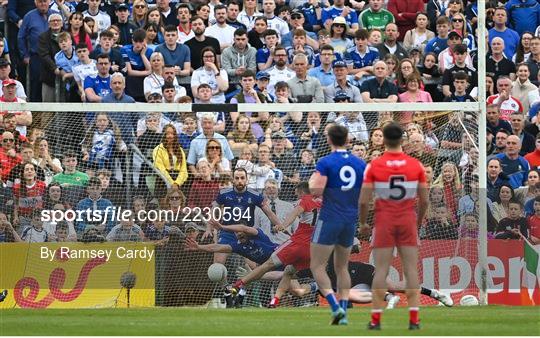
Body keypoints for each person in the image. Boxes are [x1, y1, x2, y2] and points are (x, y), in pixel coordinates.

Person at [359, 122, 429, 330]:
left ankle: (376, 319)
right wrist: (417, 222)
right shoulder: (415, 165)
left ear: (385, 140)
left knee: (380, 270)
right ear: (403, 140)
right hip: (407, 218)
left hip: (384, 220)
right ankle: (414, 319)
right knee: (411, 270)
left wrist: (363, 223)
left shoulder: (375, 165)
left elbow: (363, 200)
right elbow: (424, 200)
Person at [308, 124, 366, 325]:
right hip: (350, 220)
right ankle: (343, 310)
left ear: (329, 140)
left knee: (317, 266)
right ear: (347, 140)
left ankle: (334, 307)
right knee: (342, 267)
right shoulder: (360, 163)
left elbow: (315, 190)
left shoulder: (326, 162)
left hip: (329, 218)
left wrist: (312, 182)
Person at [230, 182, 321, 305]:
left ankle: (238, 285)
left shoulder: (303, 201)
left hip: (294, 245)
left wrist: (282, 225)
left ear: (302, 192)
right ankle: (277, 300)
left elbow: (294, 215)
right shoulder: (324, 205)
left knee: (267, 265)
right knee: (291, 278)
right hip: (311, 249)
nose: (296, 195)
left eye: (297, 193)